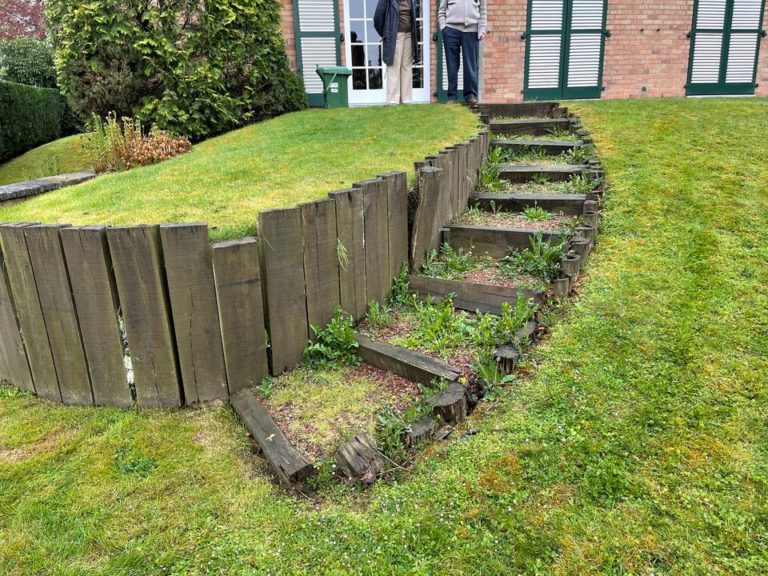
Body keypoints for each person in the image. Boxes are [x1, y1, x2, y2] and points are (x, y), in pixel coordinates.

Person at [438, 0, 487, 105]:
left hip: (472, 31)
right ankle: (452, 96)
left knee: (470, 65)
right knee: (452, 65)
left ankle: (470, 96)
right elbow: (441, 11)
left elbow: (483, 11)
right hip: (451, 30)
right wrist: (443, 28)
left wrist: (482, 28)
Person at [374, 0, 420, 104]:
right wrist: (387, 34)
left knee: (406, 67)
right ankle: (393, 101)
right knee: (394, 67)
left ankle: (407, 101)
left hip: (409, 35)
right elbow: (377, 19)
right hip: (395, 36)